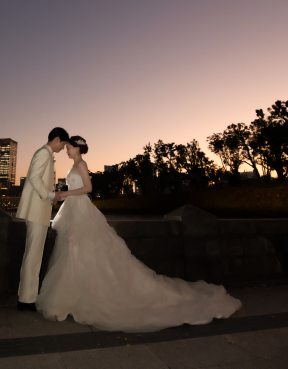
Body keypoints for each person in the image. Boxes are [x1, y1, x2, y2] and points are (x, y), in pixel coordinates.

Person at [35, 135, 241, 332]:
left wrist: (65, 193)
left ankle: (81, 297)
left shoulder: (81, 164)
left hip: (80, 210)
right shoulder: (74, 166)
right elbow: (76, 187)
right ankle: (74, 296)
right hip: (74, 209)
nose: (67, 151)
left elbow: (88, 188)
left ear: (77, 148)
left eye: (69, 148)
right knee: (74, 251)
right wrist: (60, 195)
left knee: (80, 249)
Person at [15, 127, 69, 311]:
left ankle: (26, 297)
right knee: (33, 255)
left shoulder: (44, 153)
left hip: (38, 211)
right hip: (37, 211)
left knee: (33, 254)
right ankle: (26, 300)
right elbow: (34, 178)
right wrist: (50, 195)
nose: (62, 149)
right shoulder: (44, 154)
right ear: (57, 140)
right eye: (62, 144)